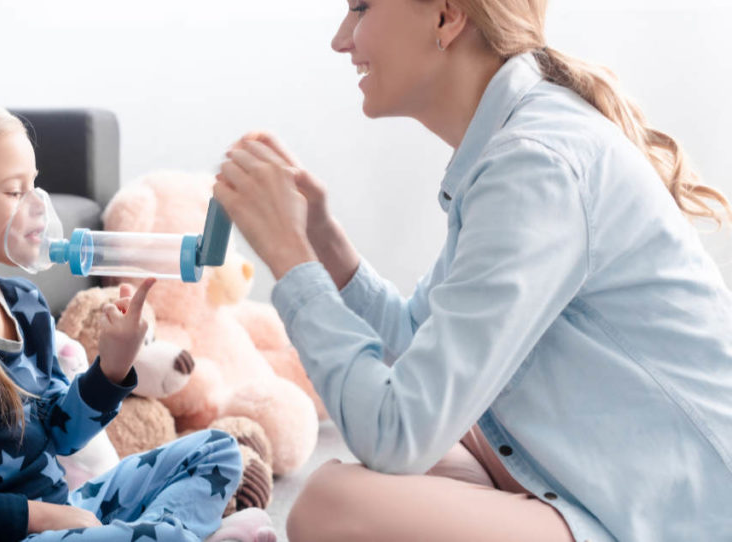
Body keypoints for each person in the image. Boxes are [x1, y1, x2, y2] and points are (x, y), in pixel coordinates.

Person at [213, 1, 732, 541]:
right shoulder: (513, 145)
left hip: (683, 522)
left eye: (361, 9)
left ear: (446, 17)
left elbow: (396, 431)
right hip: (609, 482)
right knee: (415, 456)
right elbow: (420, 358)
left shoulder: (534, 163)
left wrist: (291, 263)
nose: (342, 40)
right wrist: (324, 243)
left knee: (330, 503)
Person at [0, 98, 276, 542]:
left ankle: (162, 534)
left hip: (66, 510)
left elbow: (62, 435)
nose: (39, 207)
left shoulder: (22, 304)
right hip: (16, 533)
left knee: (218, 452)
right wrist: (39, 518)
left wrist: (112, 367)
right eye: (14, 191)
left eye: (35, 185)